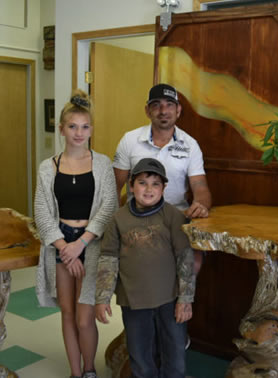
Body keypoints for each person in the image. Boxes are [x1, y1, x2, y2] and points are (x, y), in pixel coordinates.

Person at [34, 89, 118, 378]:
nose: (78, 133)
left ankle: (89, 368)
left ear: (91, 129)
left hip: (91, 243)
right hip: (60, 244)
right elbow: (42, 212)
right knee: (67, 313)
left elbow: (109, 207)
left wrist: (80, 243)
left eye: (84, 127)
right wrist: (64, 247)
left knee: (85, 317)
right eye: (72, 127)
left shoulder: (103, 164)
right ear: (61, 129)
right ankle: (75, 372)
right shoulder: (48, 167)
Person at [95, 158, 195, 378]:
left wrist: (185, 299)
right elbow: (108, 259)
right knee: (140, 359)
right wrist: (102, 298)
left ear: (164, 188)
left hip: (170, 300)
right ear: (131, 185)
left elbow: (185, 258)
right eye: (142, 182)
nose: (148, 189)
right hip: (133, 302)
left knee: (175, 357)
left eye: (155, 184)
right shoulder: (118, 220)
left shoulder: (173, 216)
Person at [113, 83, 211, 276]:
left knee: (195, 259)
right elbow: (113, 188)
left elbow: (201, 188)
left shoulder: (190, 145)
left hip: (176, 219)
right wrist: (118, 226)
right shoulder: (129, 140)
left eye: (169, 104)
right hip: (137, 219)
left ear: (178, 110)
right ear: (147, 110)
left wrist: (201, 204)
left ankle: (182, 304)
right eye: (156, 105)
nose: (163, 111)